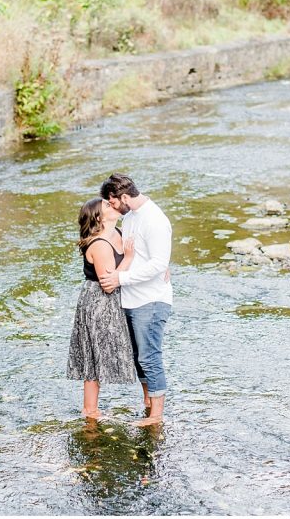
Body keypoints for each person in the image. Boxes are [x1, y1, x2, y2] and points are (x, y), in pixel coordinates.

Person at [98, 174, 173, 427]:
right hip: (131, 299)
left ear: (125, 197)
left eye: (112, 202)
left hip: (151, 300)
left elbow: (159, 263)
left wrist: (120, 279)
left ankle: (156, 417)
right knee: (139, 356)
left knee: (150, 356)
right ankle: (148, 402)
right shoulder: (129, 218)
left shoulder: (155, 220)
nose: (111, 207)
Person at [67, 197, 138, 419]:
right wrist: (128, 257)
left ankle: (92, 411)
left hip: (114, 301)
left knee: (101, 355)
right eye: (107, 205)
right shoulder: (99, 244)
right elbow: (108, 284)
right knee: (93, 357)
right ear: (98, 217)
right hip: (97, 302)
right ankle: (90, 411)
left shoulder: (117, 232)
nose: (112, 204)